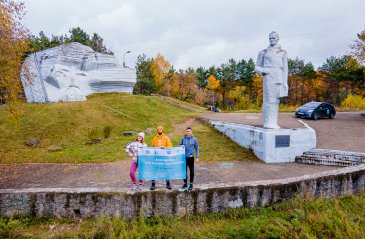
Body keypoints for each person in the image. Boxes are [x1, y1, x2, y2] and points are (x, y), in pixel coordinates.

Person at [255, 31, 288, 129]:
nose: (271, 40)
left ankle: (273, 122)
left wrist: (285, 83)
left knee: (276, 101)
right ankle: (268, 122)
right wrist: (266, 71)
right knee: (269, 100)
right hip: (269, 77)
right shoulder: (263, 52)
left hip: (279, 77)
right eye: (270, 38)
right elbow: (257, 67)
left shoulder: (283, 52)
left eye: (273, 38)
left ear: (278, 39)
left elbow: (285, 69)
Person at [150, 126, 173, 190]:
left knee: (166, 170)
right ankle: (153, 185)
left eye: (161, 130)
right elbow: (152, 147)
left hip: (164, 157)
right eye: (158, 130)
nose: (159, 131)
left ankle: (168, 184)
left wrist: (164, 147)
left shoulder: (166, 138)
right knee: (154, 170)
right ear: (157, 131)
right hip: (156, 157)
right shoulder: (154, 138)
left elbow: (170, 146)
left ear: (162, 130)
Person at [179, 127, 199, 191]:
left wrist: (197, 157)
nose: (188, 132)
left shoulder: (194, 139)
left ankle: (191, 184)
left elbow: (197, 149)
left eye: (189, 131)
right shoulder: (183, 138)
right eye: (187, 131)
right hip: (184, 158)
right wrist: (180, 146)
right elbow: (179, 146)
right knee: (184, 172)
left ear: (191, 132)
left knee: (192, 171)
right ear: (186, 132)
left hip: (191, 158)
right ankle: (185, 184)